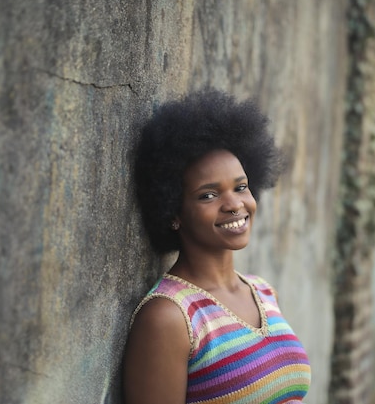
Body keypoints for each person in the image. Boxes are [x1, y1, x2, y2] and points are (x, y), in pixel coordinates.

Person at [124, 88, 311, 404]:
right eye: (208, 195)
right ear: (173, 213)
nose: (234, 204)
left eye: (240, 187)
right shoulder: (170, 317)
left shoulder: (263, 293)